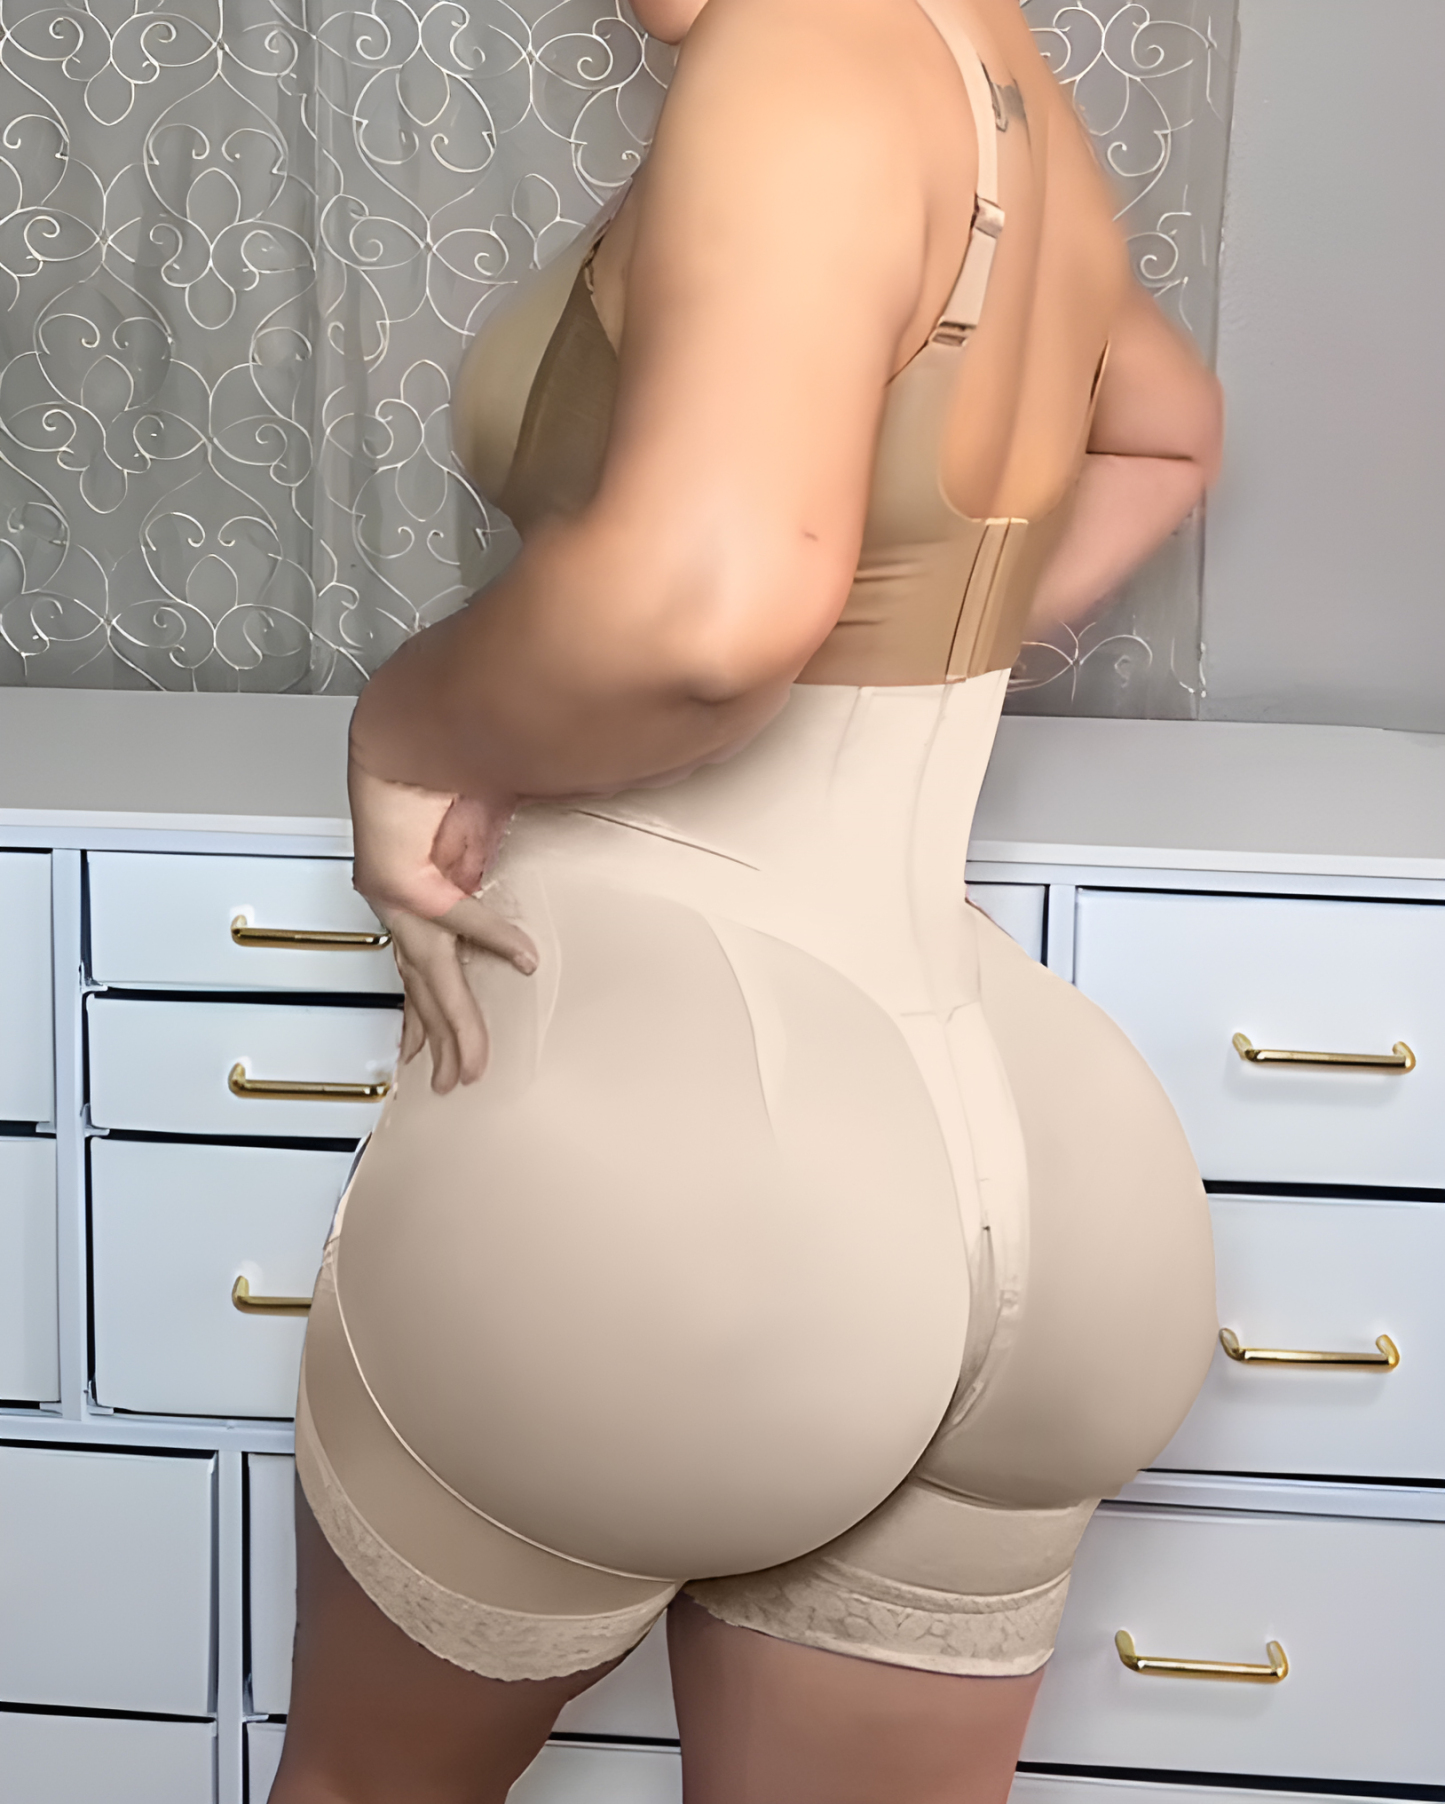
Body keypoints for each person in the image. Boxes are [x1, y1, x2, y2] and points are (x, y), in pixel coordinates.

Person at [273, 0, 1223, 1798]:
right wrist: (897, 643)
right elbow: (1165, 437)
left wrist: (407, 728)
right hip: (1043, 1149)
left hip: (689, 1134)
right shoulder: (987, 68)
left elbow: (708, 617)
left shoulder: (794, 56)